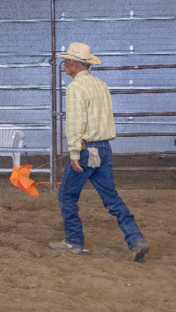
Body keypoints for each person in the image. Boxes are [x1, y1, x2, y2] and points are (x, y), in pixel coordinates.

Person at [50, 42, 149, 262]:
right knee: (111, 198)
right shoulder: (100, 85)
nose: (64, 64)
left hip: (86, 149)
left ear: (75, 65)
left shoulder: (76, 88)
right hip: (104, 148)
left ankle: (74, 242)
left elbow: (75, 122)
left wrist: (74, 152)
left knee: (67, 196)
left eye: (66, 61)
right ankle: (136, 240)